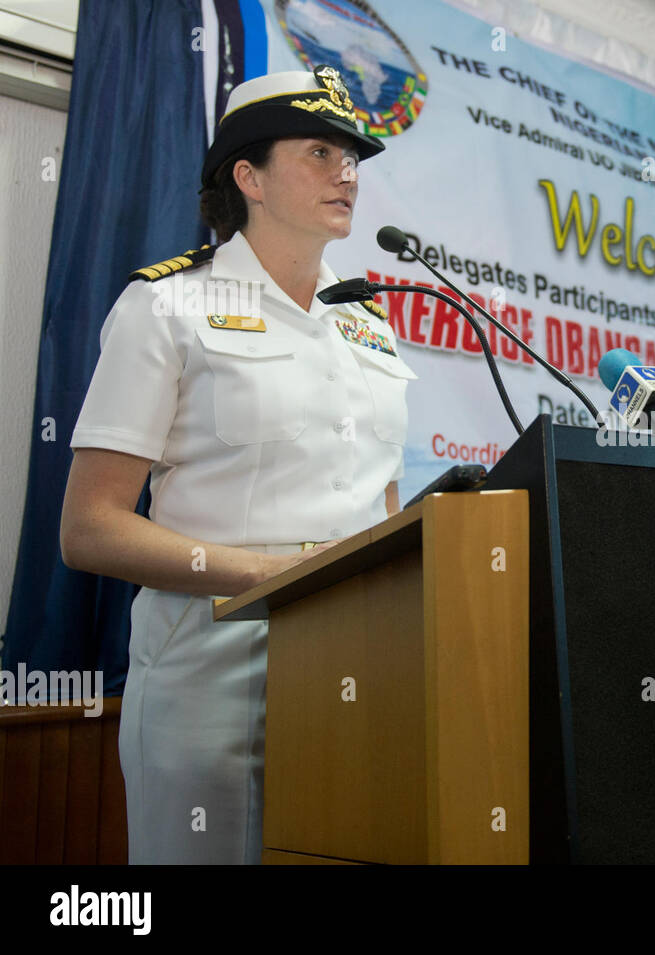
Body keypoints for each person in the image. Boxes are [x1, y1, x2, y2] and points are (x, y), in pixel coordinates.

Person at [59, 66, 416, 864]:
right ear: (247, 175)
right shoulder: (166, 306)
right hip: (211, 678)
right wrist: (270, 571)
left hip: (358, 665)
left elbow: (381, 502)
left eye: (353, 157)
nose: (347, 173)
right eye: (321, 152)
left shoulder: (369, 324)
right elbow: (88, 529)